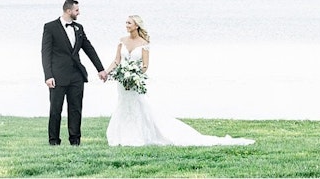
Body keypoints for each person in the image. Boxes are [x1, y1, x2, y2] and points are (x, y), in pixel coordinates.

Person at [105, 15, 255, 147]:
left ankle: (140, 135)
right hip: (122, 82)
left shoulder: (144, 43)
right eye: (126, 23)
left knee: (139, 105)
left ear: (136, 25)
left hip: (135, 82)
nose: (126, 25)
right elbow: (117, 61)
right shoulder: (121, 41)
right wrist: (107, 72)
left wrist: (134, 75)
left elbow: (145, 66)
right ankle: (122, 135)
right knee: (123, 105)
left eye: (129, 23)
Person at [41, 0, 107, 145]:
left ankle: (75, 140)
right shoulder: (50, 27)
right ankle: (54, 141)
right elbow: (45, 53)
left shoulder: (79, 28)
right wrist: (48, 76)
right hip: (57, 76)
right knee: (55, 110)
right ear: (68, 11)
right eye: (77, 10)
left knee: (76, 109)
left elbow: (89, 48)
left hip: (77, 75)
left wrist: (100, 69)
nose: (79, 12)